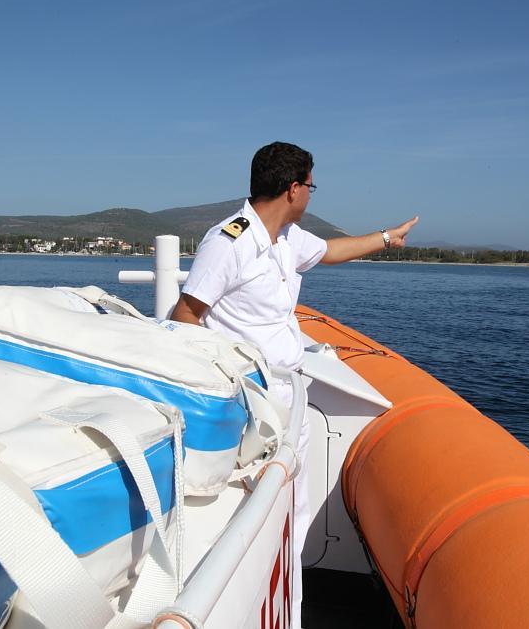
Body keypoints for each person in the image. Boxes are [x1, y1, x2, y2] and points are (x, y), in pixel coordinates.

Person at [171, 141, 418, 628]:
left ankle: (288, 603)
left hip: (289, 397)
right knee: (253, 510)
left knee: (294, 511)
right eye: (310, 184)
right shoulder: (230, 241)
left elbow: (331, 252)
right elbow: (185, 316)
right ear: (292, 188)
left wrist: (387, 238)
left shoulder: (287, 237)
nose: (311, 193)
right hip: (251, 405)